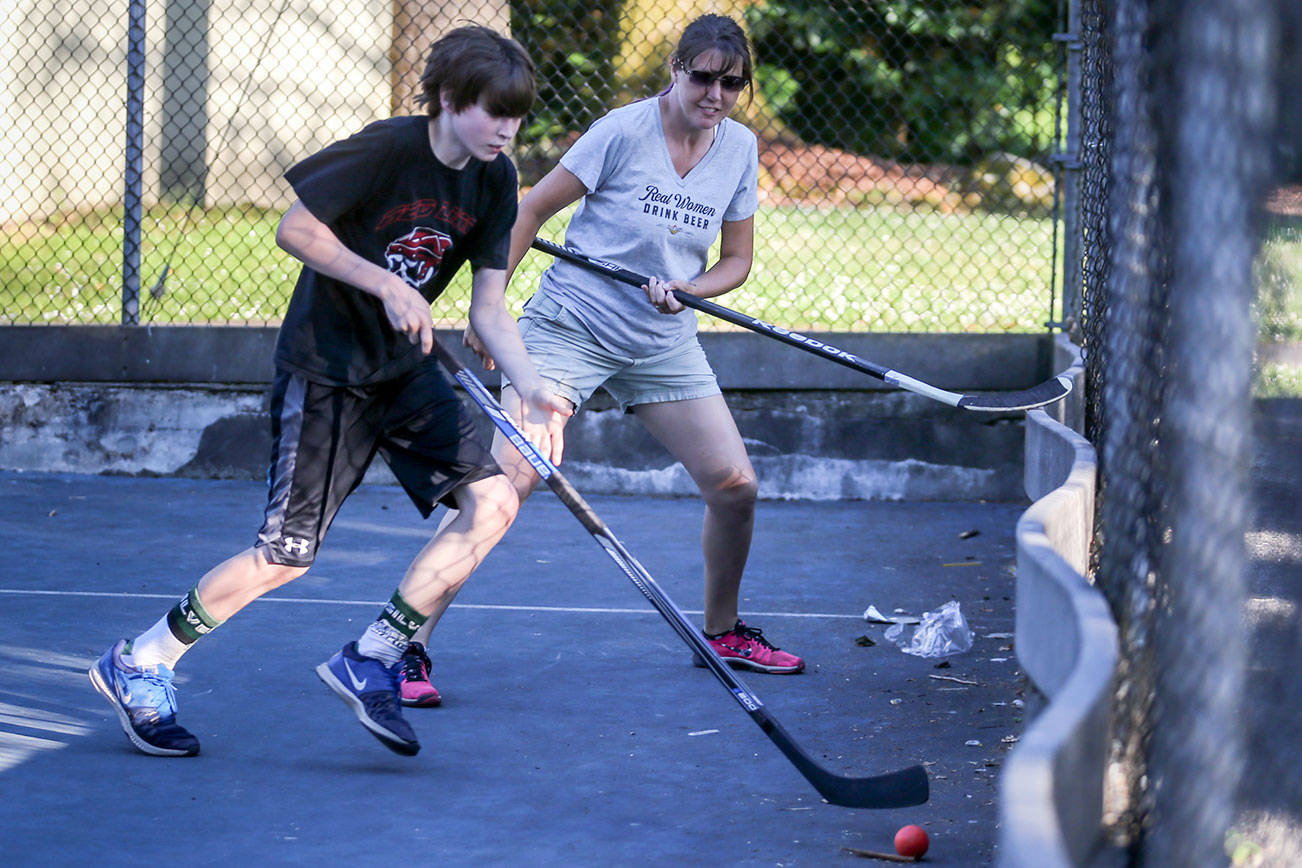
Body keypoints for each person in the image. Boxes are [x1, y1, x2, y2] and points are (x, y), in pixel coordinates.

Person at [88, 24, 569, 757]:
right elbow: (295, 229)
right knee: (284, 557)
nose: (506, 128)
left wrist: (533, 389)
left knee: (495, 500)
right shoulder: (387, 148)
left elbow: (488, 309)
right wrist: (385, 284)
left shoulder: (495, 179)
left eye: (517, 115)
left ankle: (374, 654)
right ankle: (142, 660)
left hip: (405, 370)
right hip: (327, 372)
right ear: (446, 98)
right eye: (491, 110)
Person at [395, 13, 803, 709]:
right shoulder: (623, 130)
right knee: (505, 485)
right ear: (675, 70)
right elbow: (527, 213)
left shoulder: (738, 148)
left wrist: (689, 290)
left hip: (660, 341)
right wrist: (486, 310)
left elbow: (736, 260)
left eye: (731, 83)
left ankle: (723, 631)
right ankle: (402, 644)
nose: (715, 93)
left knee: (736, 485)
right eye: (702, 76)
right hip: (570, 328)